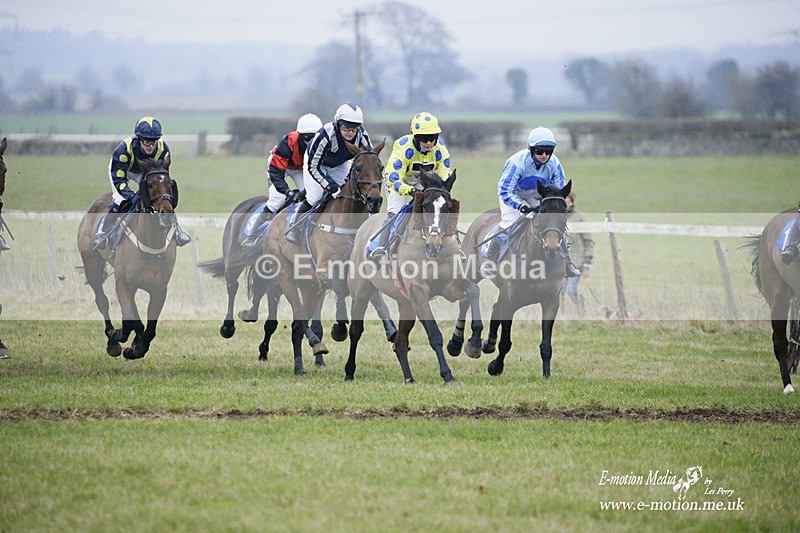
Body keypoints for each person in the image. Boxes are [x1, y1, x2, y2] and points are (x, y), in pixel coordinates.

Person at [485, 126, 581, 277]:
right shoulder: (517, 163)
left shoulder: (555, 164)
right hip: (512, 192)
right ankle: (489, 259)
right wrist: (521, 207)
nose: (544, 155)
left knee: (553, 222)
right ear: (531, 149)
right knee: (510, 222)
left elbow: (558, 191)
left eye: (548, 151)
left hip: (536, 193)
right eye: (539, 151)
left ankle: (567, 261)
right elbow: (505, 191)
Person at [91, 116, 191, 249]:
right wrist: (131, 196)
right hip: (123, 170)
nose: (151, 146)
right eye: (147, 142)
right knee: (120, 199)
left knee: (163, 197)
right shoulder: (124, 149)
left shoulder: (163, 150)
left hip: (145, 171)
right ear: (139, 139)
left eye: (154, 142)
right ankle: (102, 232)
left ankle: (177, 231)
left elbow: (163, 178)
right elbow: (119, 181)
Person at [285, 103, 373, 245]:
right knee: (315, 197)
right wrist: (329, 185)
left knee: (349, 192)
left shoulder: (362, 135)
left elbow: (370, 158)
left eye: (354, 128)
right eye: (346, 127)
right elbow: (313, 166)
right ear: (338, 124)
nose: (350, 132)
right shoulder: (325, 134)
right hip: (316, 163)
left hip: (340, 164)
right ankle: (294, 226)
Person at [368, 112, 453, 259]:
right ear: (416, 137)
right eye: (424, 139)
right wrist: (410, 191)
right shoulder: (404, 149)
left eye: (432, 138)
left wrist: (442, 189)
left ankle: (451, 244)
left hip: (423, 180)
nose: (429, 143)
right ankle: (381, 247)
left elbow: (445, 171)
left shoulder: (440, 148)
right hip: (397, 179)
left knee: (439, 206)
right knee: (395, 211)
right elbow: (395, 178)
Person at [240, 113, 323, 247]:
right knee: (276, 200)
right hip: (280, 168)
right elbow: (277, 174)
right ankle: (252, 235)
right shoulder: (287, 143)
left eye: (315, 138)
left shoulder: (322, 145)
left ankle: (301, 228)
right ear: (300, 136)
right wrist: (288, 192)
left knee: (313, 197)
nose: (311, 142)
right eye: (308, 138)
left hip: (300, 168)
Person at [562, 191, 595, 311]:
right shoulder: (556, 216)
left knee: (571, 290)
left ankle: (580, 309)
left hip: (576, 262)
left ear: (571, 201)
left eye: (566, 197)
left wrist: (587, 264)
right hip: (560, 263)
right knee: (559, 292)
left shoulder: (580, 217)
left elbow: (588, 241)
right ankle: (560, 315)